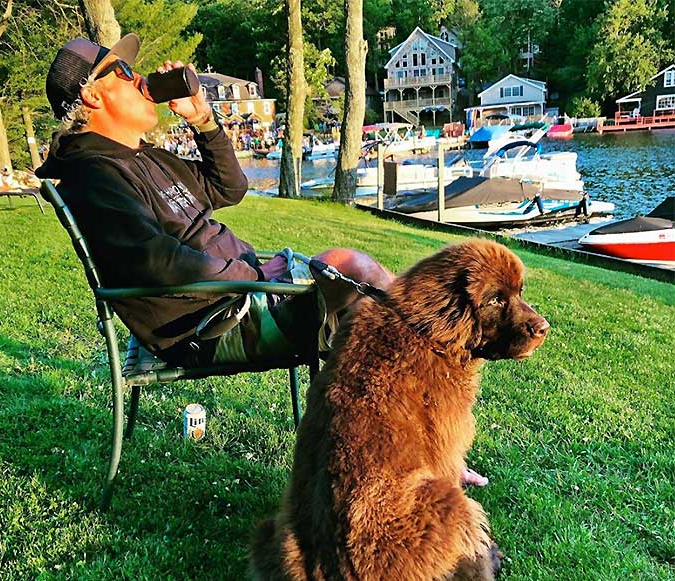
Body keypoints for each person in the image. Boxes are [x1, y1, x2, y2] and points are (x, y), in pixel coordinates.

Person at [35, 33, 485, 487]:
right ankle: (421, 442)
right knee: (355, 276)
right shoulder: (93, 174)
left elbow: (229, 188)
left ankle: (420, 445)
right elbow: (156, 261)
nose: (140, 80)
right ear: (93, 95)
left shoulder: (142, 156)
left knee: (364, 305)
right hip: (209, 323)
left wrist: (205, 121)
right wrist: (251, 278)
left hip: (238, 294)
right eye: (125, 73)